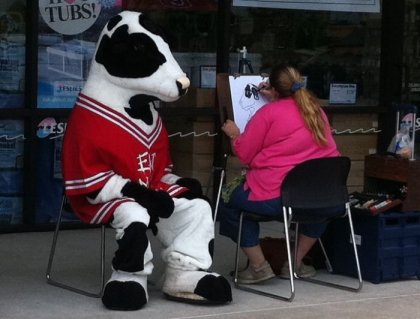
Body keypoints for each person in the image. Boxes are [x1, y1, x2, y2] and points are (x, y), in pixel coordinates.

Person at [219, 65, 340, 284]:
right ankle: (294, 263)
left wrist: (235, 134)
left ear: (273, 89)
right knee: (321, 209)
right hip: (322, 193)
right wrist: (276, 96)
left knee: (228, 200)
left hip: (276, 196)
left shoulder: (268, 112)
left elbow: (244, 154)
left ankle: (258, 266)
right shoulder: (315, 109)